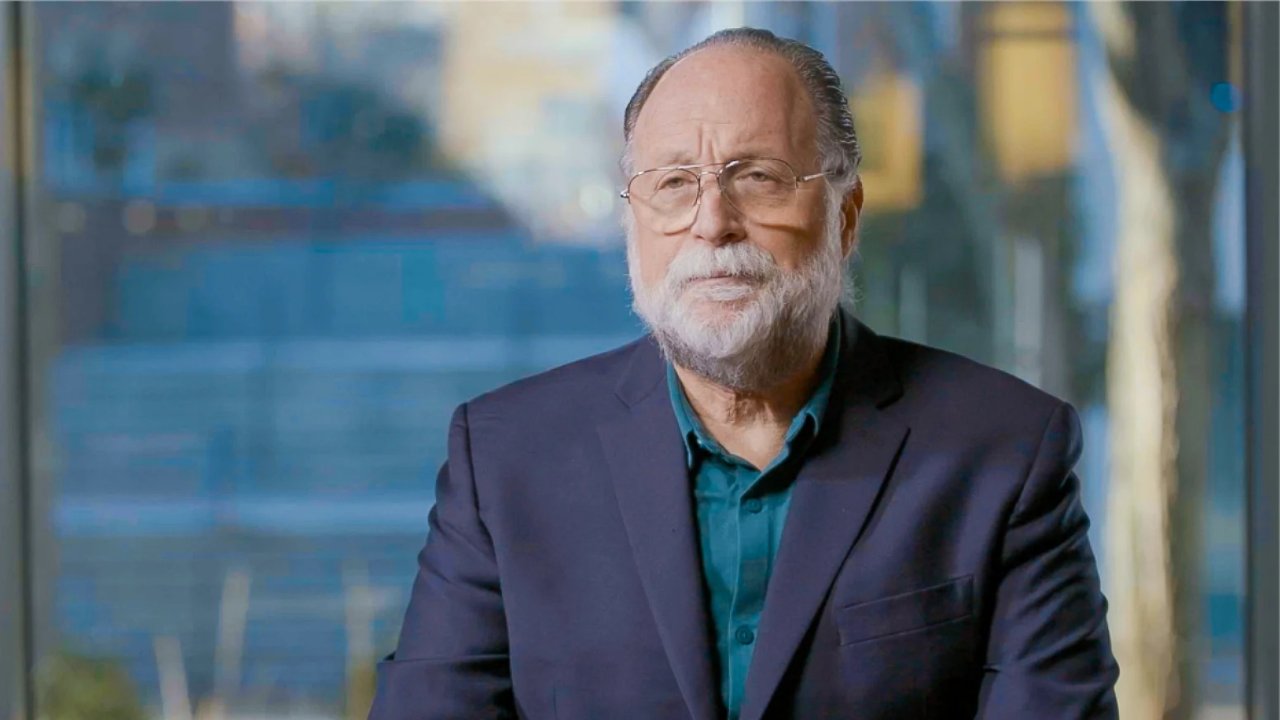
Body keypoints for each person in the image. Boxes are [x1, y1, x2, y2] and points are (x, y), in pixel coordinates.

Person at [370, 27, 1118, 720]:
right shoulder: (505, 458)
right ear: (632, 220)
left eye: (758, 177)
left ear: (846, 216)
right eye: (673, 184)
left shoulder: (1005, 452)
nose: (712, 222)